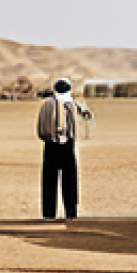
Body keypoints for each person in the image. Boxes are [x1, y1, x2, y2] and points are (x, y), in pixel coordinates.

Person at [36, 78, 90, 219]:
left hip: (50, 144)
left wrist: (46, 137)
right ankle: (71, 211)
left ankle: (48, 212)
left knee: (49, 180)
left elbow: (40, 126)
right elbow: (84, 115)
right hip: (67, 145)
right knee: (69, 180)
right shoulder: (71, 102)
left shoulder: (47, 104)